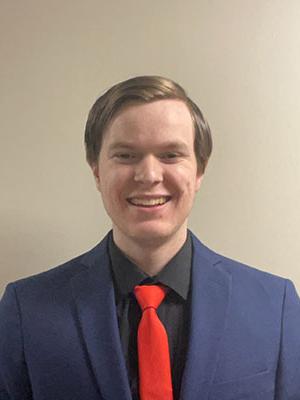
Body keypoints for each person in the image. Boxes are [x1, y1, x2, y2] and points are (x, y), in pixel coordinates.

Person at [0, 76, 299, 400]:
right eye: (126, 155)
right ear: (97, 171)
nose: (149, 175)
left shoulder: (275, 306)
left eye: (171, 155)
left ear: (199, 171)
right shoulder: (25, 309)